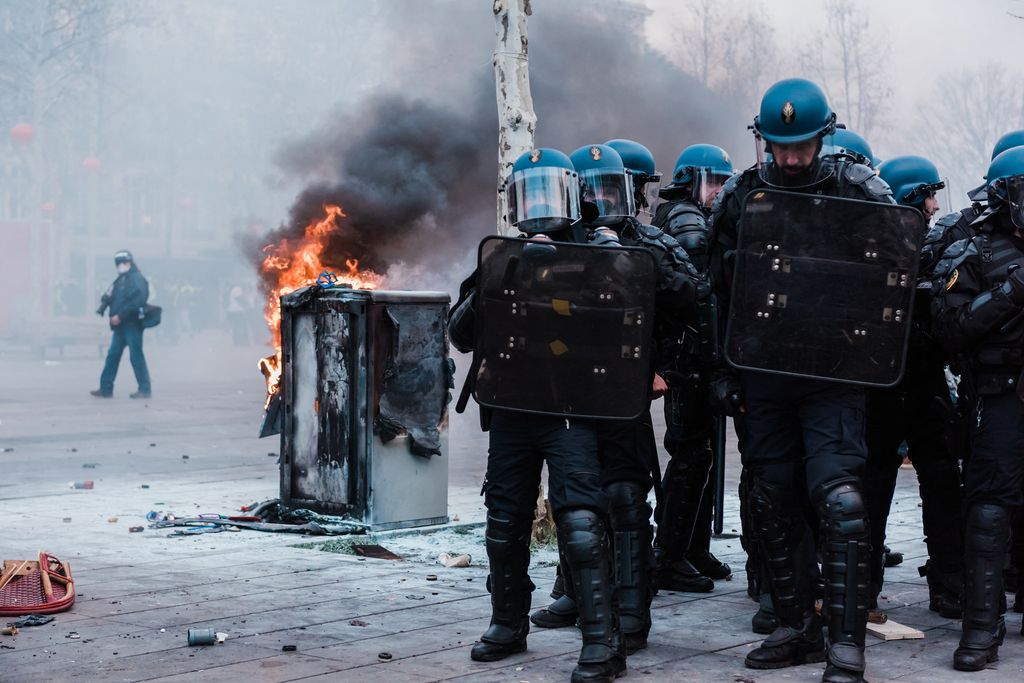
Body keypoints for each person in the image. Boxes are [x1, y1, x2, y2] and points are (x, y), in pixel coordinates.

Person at [709, 78, 895, 683]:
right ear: (762, 140)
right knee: (772, 498)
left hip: (834, 370)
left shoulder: (858, 187)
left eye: (801, 146)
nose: (790, 159)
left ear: (825, 136)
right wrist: (722, 370)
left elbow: (897, 268)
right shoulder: (742, 196)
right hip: (765, 369)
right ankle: (794, 626)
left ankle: (845, 642)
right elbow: (718, 289)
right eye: (779, 146)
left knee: (839, 499)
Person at [449, 147, 625, 683]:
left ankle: (602, 642)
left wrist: (598, 271)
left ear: (573, 197)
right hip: (512, 409)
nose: (541, 207)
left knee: (579, 525)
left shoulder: (596, 254)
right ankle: (508, 624)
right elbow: (460, 335)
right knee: (503, 523)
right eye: (531, 195)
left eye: (550, 193)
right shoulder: (503, 256)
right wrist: (501, 279)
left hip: (570, 409)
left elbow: (622, 326)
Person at [530, 141, 700, 654]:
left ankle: (631, 614)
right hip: (571, 395)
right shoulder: (555, 244)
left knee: (626, 499)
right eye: (594, 191)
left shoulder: (648, 241)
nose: (604, 203)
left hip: (624, 391)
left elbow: (692, 299)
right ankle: (578, 596)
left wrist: (634, 260)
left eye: (613, 190)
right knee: (578, 499)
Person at [931, 145, 1024, 671]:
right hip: (1000, 394)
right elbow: (950, 329)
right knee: (989, 510)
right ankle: (983, 628)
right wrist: (1015, 290)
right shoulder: (973, 251)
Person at [860, 156, 963, 619]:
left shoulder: (940, 249)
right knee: (875, 485)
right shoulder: (871, 254)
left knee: (940, 482)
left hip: (919, 384)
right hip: (886, 387)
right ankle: (863, 585)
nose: (935, 205)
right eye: (927, 195)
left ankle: (948, 583)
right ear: (906, 199)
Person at [649, 143, 735, 595]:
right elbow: (699, 298)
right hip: (687, 359)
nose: (721, 190)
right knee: (691, 454)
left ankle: (692, 547)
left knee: (701, 452)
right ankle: (668, 556)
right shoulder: (686, 221)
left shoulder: (685, 216)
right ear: (692, 180)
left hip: (689, 357)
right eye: (715, 181)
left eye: (725, 182)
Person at [92, 250, 152, 399]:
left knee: (136, 356)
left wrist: (121, 315)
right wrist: (104, 308)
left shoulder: (136, 279)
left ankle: (145, 389)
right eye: (118, 264)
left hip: (132, 324)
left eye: (123, 263)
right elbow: (110, 296)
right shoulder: (120, 280)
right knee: (112, 355)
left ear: (129, 262)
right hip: (120, 326)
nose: (121, 266)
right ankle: (106, 388)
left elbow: (138, 300)